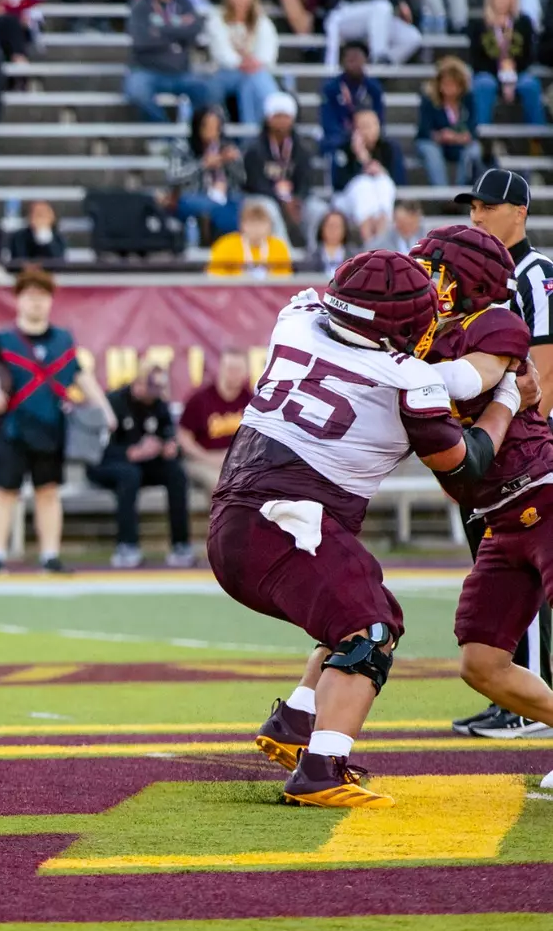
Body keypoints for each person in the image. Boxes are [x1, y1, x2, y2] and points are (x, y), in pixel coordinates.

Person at [210, 250, 520, 807]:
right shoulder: (406, 378)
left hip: (237, 519)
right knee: (367, 630)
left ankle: (296, 724)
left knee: (372, 608)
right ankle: (322, 769)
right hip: (289, 526)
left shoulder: (298, 317)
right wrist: (505, 397)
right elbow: (468, 466)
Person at [408, 226, 553, 750]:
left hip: (542, 492)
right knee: (482, 660)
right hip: (499, 516)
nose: (424, 282)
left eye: (435, 272)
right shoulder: (421, 339)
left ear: (467, 277)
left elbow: (466, 380)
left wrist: (395, 372)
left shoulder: (494, 322)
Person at [451, 169, 553, 737]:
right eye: (473, 207)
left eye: (488, 206)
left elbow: (545, 363)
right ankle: (517, 695)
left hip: (532, 459)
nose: (477, 215)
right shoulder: (475, 284)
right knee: (498, 600)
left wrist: (521, 433)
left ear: (520, 211)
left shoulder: (534, 274)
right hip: (494, 459)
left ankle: (525, 698)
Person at [0, 265, 114, 575]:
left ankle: (50, 555)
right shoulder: (2, 339)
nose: (36, 302)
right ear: (18, 300)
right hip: (11, 428)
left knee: (48, 491)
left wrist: (104, 409)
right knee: (3, 492)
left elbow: (80, 375)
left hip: (50, 428)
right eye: (30, 296)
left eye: (43, 296)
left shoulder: (63, 339)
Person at [87, 365, 192, 568]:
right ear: (138, 383)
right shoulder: (115, 402)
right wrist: (130, 452)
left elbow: (168, 434)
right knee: (129, 474)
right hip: (107, 465)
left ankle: (181, 544)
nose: (155, 395)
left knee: (176, 472)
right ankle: (127, 545)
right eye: (151, 388)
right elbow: (96, 449)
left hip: (144, 465)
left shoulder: (158, 405)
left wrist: (169, 447)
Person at [123, 0, 210, 124]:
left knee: (208, 88)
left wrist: (160, 30)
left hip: (181, 71)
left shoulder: (184, 2)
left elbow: (195, 29)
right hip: (147, 69)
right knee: (136, 90)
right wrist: (177, 35)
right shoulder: (140, 6)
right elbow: (141, 39)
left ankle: (195, 139)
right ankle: (165, 136)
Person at [243, 91, 321, 242]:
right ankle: (285, 257)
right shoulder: (255, 149)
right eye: (277, 116)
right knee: (270, 208)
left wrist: (297, 199)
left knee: (316, 209)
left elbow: (305, 181)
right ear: (268, 118)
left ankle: (315, 255)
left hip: (294, 199)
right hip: (265, 198)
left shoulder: (302, 148)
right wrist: (281, 201)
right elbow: (255, 183)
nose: (281, 121)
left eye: (285, 116)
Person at [206, 0, 279, 125]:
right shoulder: (216, 19)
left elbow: (268, 52)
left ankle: (251, 132)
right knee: (256, 78)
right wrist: (242, 62)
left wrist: (255, 63)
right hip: (224, 74)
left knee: (251, 83)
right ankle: (275, 114)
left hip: (253, 73)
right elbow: (221, 53)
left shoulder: (263, 22)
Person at [177, 351, 252, 493]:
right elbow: (183, 436)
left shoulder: (251, 400)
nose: (234, 374)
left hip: (239, 461)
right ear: (220, 369)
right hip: (202, 461)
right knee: (221, 484)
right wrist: (207, 457)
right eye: (230, 368)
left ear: (246, 372)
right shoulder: (200, 399)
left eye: (238, 369)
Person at [474, 0, 546, 126]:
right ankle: (481, 134)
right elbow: (476, 59)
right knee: (483, 84)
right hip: (489, 72)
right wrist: (500, 70)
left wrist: (512, 71)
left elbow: (529, 55)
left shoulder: (523, 22)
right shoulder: (480, 24)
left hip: (518, 71)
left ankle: (537, 139)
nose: (503, 0)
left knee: (530, 85)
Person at [169, 105, 245, 243]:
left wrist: (233, 161)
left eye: (215, 127)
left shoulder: (226, 146)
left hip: (226, 196)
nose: (211, 132)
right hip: (193, 195)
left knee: (244, 206)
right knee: (216, 209)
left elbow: (243, 179)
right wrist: (202, 164)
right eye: (207, 126)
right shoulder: (183, 146)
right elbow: (174, 175)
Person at [331, 108, 405, 239]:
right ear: (355, 129)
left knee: (383, 182)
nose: (369, 130)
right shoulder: (344, 148)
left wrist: (381, 171)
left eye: (373, 125)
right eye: (364, 126)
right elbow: (339, 182)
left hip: (380, 200)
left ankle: (379, 247)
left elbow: (400, 179)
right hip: (349, 199)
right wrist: (361, 159)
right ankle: (369, 245)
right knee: (363, 184)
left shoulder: (389, 147)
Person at [415, 55, 483, 187]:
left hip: (460, 144)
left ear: (461, 85)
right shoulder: (429, 100)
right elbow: (424, 130)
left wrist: (456, 137)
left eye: (453, 84)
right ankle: (443, 194)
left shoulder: (468, 100)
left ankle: (460, 192)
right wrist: (441, 136)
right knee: (431, 151)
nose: (448, 88)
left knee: (474, 151)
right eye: (445, 84)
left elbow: (472, 130)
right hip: (435, 143)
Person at [319, 41, 386, 154]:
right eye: (349, 58)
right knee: (332, 145)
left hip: (368, 137)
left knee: (388, 147)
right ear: (342, 61)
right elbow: (328, 120)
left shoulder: (374, 88)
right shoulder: (331, 88)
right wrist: (349, 137)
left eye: (357, 57)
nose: (353, 62)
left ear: (365, 60)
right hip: (340, 137)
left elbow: (379, 118)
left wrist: (367, 135)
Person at [207, 200, 294, 277]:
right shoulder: (226, 244)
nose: (256, 228)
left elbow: (285, 278)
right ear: (242, 225)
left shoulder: (278, 246)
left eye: (261, 223)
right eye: (251, 223)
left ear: (270, 226)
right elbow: (214, 276)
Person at [313, 208, 355, 276]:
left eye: (337, 226)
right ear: (322, 229)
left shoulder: (354, 258)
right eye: (330, 226)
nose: (333, 230)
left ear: (345, 230)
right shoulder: (312, 258)